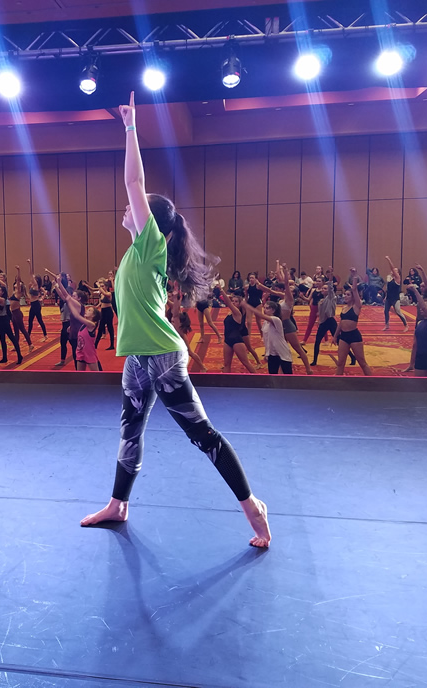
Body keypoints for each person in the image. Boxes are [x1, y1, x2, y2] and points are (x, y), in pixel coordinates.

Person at [79, 92, 270, 548]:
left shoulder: (151, 244)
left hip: (163, 358)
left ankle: (253, 507)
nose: (128, 207)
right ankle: (118, 504)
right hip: (137, 360)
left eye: (137, 205)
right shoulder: (135, 253)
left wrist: (130, 127)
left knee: (201, 435)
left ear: (153, 223)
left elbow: (133, 180)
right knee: (130, 431)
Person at [333, 282, 373, 375]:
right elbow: (341, 323)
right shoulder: (344, 308)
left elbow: (357, 298)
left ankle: (371, 380)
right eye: (345, 294)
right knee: (340, 363)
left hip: (354, 336)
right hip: (343, 336)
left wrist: (354, 288)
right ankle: (338, 380)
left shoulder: (356, 307)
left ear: (353, 297)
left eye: (348, 295)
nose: (345, 296)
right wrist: (335, 336)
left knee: (362, 362)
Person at [218, 290, 256, 373]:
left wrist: (222, 291)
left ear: (239, 304)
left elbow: (228, 303)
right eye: (233, 301)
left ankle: (259, 378)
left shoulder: (238, 313)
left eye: (236, 302)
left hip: (237, 340)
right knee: (226, 364)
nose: (233, 303)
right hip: (227, 340)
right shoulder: (230, 313)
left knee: (246, 363)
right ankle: (227, 380)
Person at [382, 256, 409, 331]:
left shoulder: (398, 278)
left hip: (395, 298)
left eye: (396, 271)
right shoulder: (389, 278)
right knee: (385, 311)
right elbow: (388, 289)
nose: (393, 271)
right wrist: (385, 297)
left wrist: (388, 259)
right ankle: (387, 325)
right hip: (389, 297)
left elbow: (392, 268)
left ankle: (406, 325)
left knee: (398, 312)